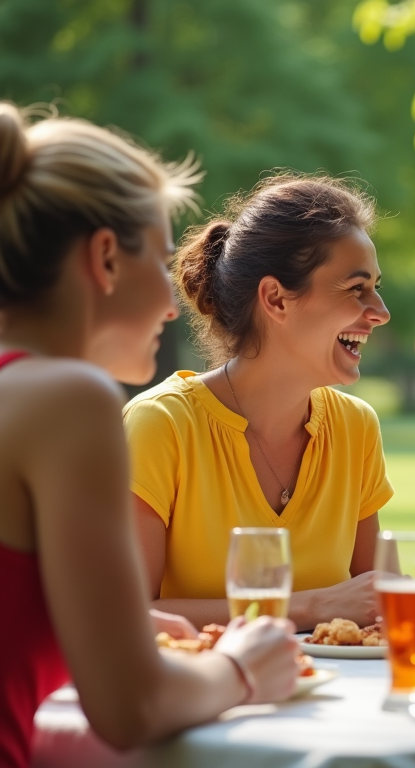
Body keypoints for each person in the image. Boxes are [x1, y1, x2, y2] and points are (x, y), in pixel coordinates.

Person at [0, 103, 300, 768]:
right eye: (162, 262)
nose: (174, 301)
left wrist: (109, 628)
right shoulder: (67, 400)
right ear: (105, 258)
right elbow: (131, 706)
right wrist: (242, 667)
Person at [125, 173, 415, 631]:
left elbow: (374, 598)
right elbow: (126, 615)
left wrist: (408, 598)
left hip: (334, 699)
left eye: (376, 286)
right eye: (356, 288)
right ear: (275, 298)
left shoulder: (355, 427)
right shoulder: (162, 425)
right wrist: (307, 607)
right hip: (208, 698)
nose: (381, 311)